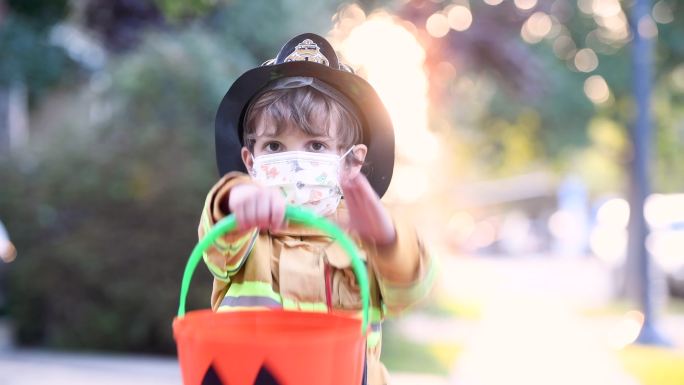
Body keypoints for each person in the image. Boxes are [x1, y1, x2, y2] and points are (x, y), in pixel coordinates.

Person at [199, 33, 435, 385]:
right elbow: (217, 240)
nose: (295, 160)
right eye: (274, 145)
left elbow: (409, 289)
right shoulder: (245, 233)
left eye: (316, 145)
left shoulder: (363, 239)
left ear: (352, 162)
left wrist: (386, 238)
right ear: (250, 161)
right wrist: (237, 198)